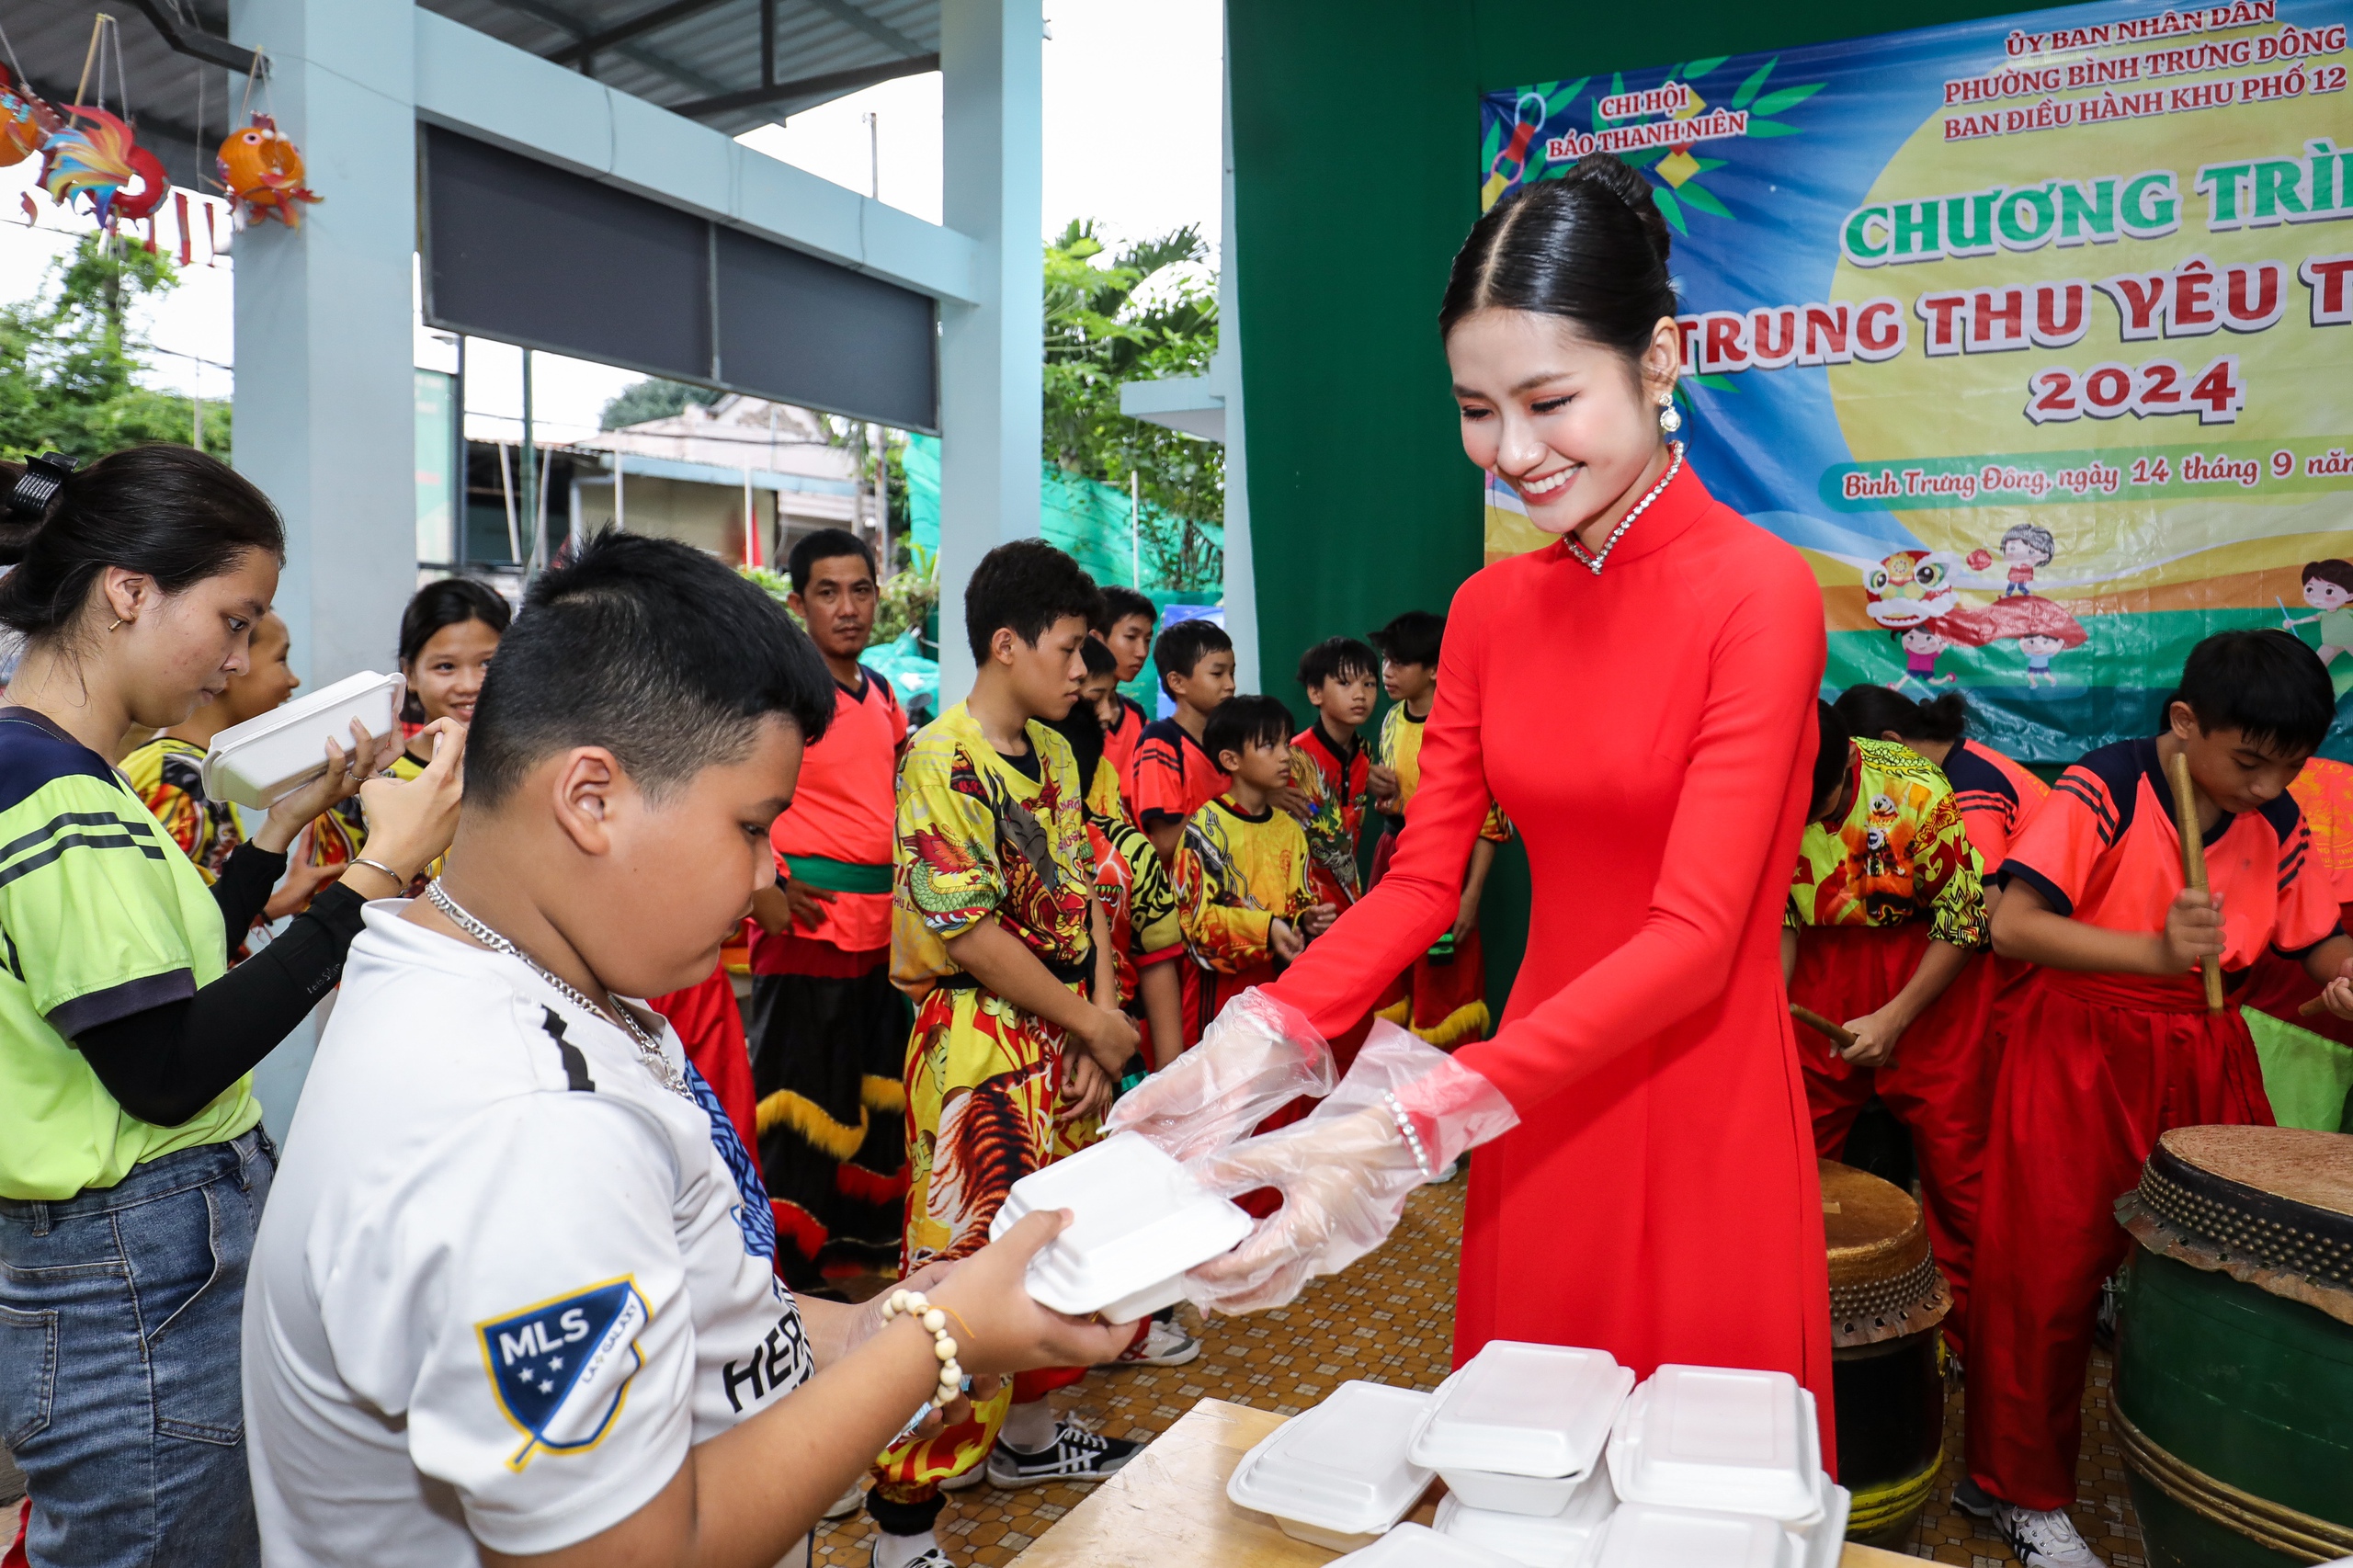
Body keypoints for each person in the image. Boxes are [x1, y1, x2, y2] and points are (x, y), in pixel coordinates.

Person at [1117, 155, 1836, 1447]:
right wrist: (1266, 1035)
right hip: (1533, 1098)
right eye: (1475, 409)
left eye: (1549, 400)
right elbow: (1422, 879)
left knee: (1694, 1480)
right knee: (1521, 1460)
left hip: (1691, 1092)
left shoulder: (1759, 593)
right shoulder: (1493, 608)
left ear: (1660, 359)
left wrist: (1421, 1112)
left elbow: (1697, 935)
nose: (1510, 454)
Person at [239, 531, 1134, 1568]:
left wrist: (880, 1322)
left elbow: (694, 1301)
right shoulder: (526, 1126)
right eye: (752, 827)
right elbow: (637, 1549)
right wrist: (941, 1345)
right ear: (590, 797)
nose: (766, 870)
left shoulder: (522, 979)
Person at [0, 445, 462, 1568]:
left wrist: (273, 836)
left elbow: (167, 968)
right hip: (131, 1263)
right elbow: (162, 1067)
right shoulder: (52, 786)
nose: (240, 657)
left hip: (136, 1252)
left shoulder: (70, 771)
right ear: (127, 591)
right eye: (235, 617)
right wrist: (371, 879)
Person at [1961, 631, 2353, 1568]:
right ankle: (2015, 1490)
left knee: (2226, 1264)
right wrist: (2151, 952)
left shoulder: (2279, 818)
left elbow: (2312, 945)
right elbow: (2010, 924)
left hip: (2203, 1045)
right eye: (2246, 761)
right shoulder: (2101, 786)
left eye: (2287, 767)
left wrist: (2344, 978)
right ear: (2184, 722)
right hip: (2079, 1044)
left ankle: (2220, 1472)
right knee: (2044, 1273)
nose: (2263, 787)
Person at [877, 540, 1146, 1567]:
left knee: (1066, 1252)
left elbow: (1087, 894)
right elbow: (967, 928)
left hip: (1066, 1034)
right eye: (1073, 650)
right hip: (977, 1046)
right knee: (962, 1280)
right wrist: (1089, 1022)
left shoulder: (1059, 752)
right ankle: (902, 1532)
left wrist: (1101, 1022)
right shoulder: (940, 754)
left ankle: (1029, 1443)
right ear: (1005, 644)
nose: (1083, 672)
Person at [1782, 701, 1992, 1346]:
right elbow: (1780, 917)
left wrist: (1894, 1018)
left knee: (1959, 1171)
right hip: (1817, 963)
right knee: (1792, 1155)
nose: (1813, 823)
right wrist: (1770, 1000)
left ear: (1849, 763)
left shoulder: (1915, 791)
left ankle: (1957, 1341)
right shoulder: (1755, 789)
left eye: (1825, 807)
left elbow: (1966, 922)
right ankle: (1798, 1324)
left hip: (1925, 971)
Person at [741, 527, 913, 1290]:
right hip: (807, 928)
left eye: (861, 590)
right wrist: (761, 885)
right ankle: (783, 1286)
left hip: (883, 936)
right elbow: (731, 790)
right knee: (798, 1107)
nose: (848, 608)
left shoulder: (883, 695)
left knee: (873, 1104)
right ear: (797, 602)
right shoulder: (775, 693)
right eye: (828, 592)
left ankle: (853, 1272)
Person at [123, 608, 342, 931]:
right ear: (229, 664)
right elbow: (167, 930)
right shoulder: (183, 782)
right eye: (281, 660)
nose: (292, 680)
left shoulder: (191, 770)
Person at [1368, 608, 1511, 1048]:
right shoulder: (1392, 718)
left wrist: (1470, 896)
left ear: (1434, 670)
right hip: (1394, 855)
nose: (1387, 673)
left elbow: (1491, 819)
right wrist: (1382, 795)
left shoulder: (1464, 725)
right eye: (1385, 661)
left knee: (1444, 982)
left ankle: (1442, 1099)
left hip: (1448, 863)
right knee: (1389, 971)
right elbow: (1393, 798)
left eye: (1400, 663)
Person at [314, 577, 510, 889]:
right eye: (446, 667)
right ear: (409, 674)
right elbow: (328, 899)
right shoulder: (371, 779)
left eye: (488, 662)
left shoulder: (535, 773)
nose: (470, 684)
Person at [1175, 695, 1339, 1037]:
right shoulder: (1205, 828)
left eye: (1285, 743)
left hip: (1278, 991)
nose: (1285, 756)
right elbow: (1197, 925)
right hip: (1219, 996)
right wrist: (1267, 929)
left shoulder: (1290, 828)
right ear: (1230, 759)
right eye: (1269, 745)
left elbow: (1297, 901)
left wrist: (1304, 920)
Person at [1831, 686, 2046, 878]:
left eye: (1862, 769)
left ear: (1891, 744)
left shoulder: (1965, 792)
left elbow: (1990, 908)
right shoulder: (1960, 758)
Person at [1125, 616, 1235, 862]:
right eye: (1217, 674)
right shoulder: (1161, 741)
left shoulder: (1232, 740)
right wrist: (1242, 801)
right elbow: (1165, 844)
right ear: (1177, 682)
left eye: (1232, 673)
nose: (1230, 685)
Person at [1290, 636, 1380, 911]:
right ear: (1315, 693)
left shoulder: (1365, 752)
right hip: (1301, 907)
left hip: (1349, 902)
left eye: (1369, 684)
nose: (1360, 694)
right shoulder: (1293, 756)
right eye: (1345, 683)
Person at [1094, 585, 1156, 777]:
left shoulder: (1137, 716)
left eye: (1147, 640)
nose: (1142, 652)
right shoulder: (1065, 713)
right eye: (1131, 637)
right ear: (1095, 638)